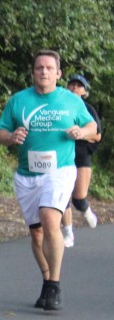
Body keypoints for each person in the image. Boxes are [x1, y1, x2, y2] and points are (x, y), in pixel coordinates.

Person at [0, 50, 97, 312]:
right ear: (33, 72)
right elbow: (0, 133)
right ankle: (46, 279)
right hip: (27, 175)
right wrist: (11, 137)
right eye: (39, 67)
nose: (44, 72)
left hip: (60, 171)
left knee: (50, 218)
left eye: (50, 68)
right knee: (37, 233)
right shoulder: (18, 101)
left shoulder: (71, 100)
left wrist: (81, 131)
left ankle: (55, 285)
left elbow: (92, 128)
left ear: (58, 74)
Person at [60, 74, 102, 247]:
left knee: (78, 199)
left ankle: (86, 210)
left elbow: (97, 136)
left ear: (84, 92)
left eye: (79, 86)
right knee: (62, 197)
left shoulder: (88, 109)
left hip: (81, 156)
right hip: (62, 156)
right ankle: (68, 232)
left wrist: (80, 133)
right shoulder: (60, 106)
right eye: (72, 85)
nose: (75, 88)